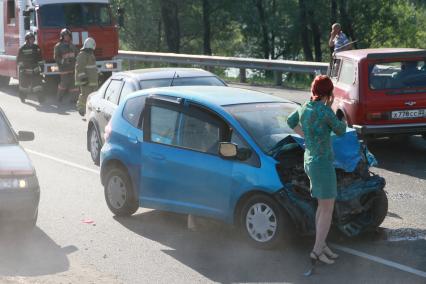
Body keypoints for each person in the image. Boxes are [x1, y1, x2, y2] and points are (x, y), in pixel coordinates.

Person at [287, 75, 346, 266]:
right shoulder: (325, 111)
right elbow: (341, 130)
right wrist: (336, 111)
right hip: (323, 164)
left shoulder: (305, 107)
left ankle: (322, 244)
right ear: (329, 92)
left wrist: (305, 136)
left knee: (322, 206)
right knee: (327, 208)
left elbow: (290, 121)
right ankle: (317, 250)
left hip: (310, 161)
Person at [17, 32, 44, 103]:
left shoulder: (36, 47)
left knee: (38, 85)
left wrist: (42, 67)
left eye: (33, 39)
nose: (32, 40)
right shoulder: (22, 48)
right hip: (26, 71)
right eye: (30, 39)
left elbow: (40, 58)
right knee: (24, 86)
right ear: (27, 39)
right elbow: (19, 60)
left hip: (35, 70)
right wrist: (22, 69)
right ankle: (22, 97)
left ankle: (40, 99)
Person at [54, 28, 79, 102]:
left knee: (74, 85)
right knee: (64, 84)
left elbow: (77, 55)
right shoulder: (58, 46)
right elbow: (56, 57)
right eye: (65, 36)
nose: (67, 37)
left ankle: (74, 99)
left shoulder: (72, 46)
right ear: (62, 36)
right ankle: (59, 98)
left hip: (72, 68)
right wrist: (63, 62)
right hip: (64, 69)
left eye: (68, 36)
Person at [75, 37, 99, 116]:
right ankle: (81, 108)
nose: (92, 50)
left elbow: (92, 67)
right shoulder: (82, 55)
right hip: (85, 80)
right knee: (85, 95)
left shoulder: (91, 54)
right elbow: (79, 68)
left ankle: (90, 110)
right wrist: (83, 78)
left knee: (93, 96)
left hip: (92, 80)